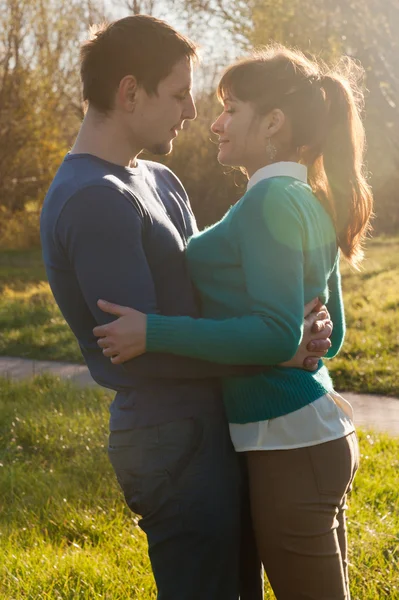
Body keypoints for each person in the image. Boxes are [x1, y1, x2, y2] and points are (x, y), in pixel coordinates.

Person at [40, 17, 333, 600]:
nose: (193, 112)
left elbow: (212, 299)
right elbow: (137, 354)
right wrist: (275, 352)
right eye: (178, 94)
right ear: (129, 92)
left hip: (217, 423)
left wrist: (299, 317)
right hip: (169, 439)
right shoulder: (94, 199)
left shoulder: (160, 178)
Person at [93, 44, 374, 599]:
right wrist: (294, 340)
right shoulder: (307, 197)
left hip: (288, 440)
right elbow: (330, 332)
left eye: (231, 108)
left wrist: (153, 330)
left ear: (273, 122)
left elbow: (277, 331)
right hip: (310, 433)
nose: (214, 122)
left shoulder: (269, 201)